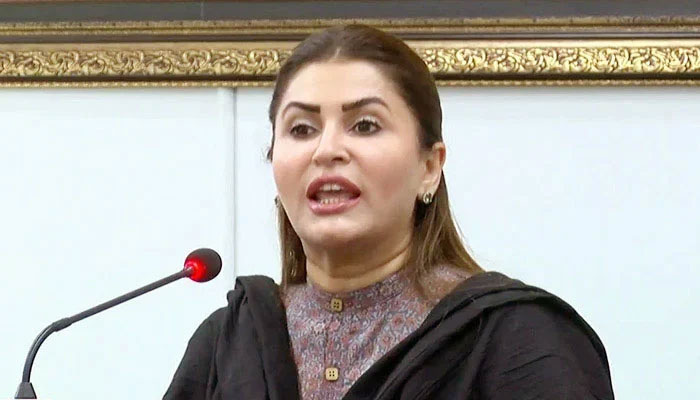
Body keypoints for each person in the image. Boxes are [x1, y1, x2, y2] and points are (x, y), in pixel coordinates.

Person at [163, 24, 614, 400]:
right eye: (301, 129)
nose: (327, 150)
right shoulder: (226, 346)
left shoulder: (519, 339)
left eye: (365, 125)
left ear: (429, 168)